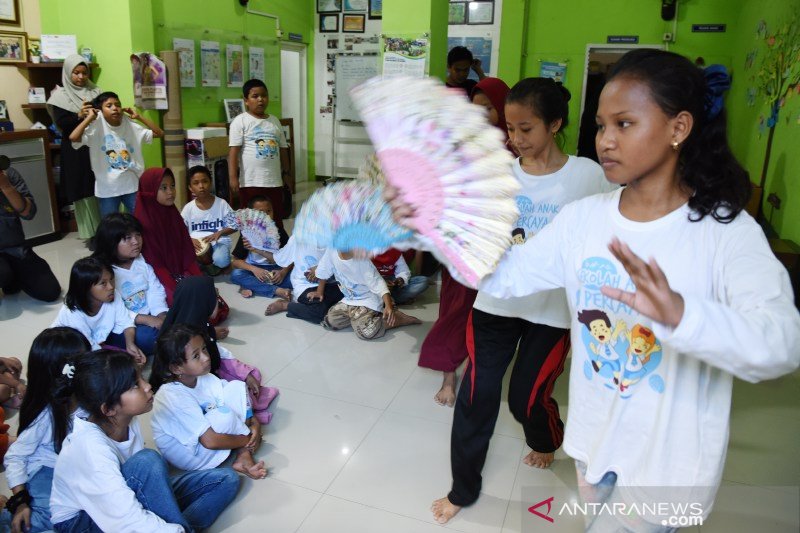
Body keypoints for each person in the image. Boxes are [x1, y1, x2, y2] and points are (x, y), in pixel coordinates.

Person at [388, 49, 800, 531]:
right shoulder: (584, 219)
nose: (605, 140)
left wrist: (682, 315)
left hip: (665, 465)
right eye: (602, 125)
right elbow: (508, 275)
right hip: (593, 443)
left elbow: (781, 342)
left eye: (624, 124)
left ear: (678, 128)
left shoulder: (723, 231)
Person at [431, 77, 615, 524]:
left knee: (526, 398)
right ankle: (463, 488)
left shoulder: (588, 176)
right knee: (478, 394)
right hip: (495, 304)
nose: (515, 139)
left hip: (551, 312)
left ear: (555, 125)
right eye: (510, 129)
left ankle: (545, 439)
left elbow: (607, 235)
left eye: (525, 129)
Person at [49, 349, 238, 532]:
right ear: (109, 409)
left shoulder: (125, 419)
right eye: (134, 385)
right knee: (148, 461)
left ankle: (177, 527)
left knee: (225, 480)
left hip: (121, 498)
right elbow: (124, 520)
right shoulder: (89, 449)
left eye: (140, 377)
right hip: (83, 522)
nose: (147, 386)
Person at [418, 78, 513, 408]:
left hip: (498, 249)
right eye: (476, 108)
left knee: (489, 314)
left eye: (489, 107)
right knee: (455, 309)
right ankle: (449, 374)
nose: (482, 114)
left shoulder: (515, 150)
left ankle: (478, 369)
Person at [150, 324, 266, 480]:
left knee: (237, 388)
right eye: (196, 356)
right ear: (177, 368)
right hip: (192, 455)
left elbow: (237, 399)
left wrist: (255, 423)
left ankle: (242, 454)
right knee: (225, 415)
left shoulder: (204, 376)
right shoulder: (171, 396)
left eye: (204, 349)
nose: (206, 357)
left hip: (210, 431)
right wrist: (248, 439)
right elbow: (209, 441)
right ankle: (244, 450)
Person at [3, 327, 90, 533]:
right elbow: (15, 457)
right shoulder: (46, 414)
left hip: (80, 467)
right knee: (45, 521)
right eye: (81, 363)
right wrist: (21, 502)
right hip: (48, 469)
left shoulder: (92, 396)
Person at [160, 276, 278, 424]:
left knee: (248, 376)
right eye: (214, 297)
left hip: (208, 375)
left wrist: (245, 375)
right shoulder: (179, 339)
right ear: (203, 302)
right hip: (199, 386)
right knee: (235, 401)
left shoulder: (201, 325)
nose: (218, 302)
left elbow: (218, 352)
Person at [69, 91, 164, 217]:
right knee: (110, 226)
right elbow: (74, 137)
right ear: (100, 110)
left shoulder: (130, 125)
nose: (115, 108)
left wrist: (139, 117)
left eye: (118, 105)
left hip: (131, 184)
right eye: (109, 106)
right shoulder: (96, 126)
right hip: (107, 187)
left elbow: (159, 133)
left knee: (140, 219)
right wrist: (89, 118)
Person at [92, 213, 168, 356]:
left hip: (150, 315)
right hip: (122, 324)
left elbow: (154, 289)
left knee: (173, 320)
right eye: (127, 238)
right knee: (150, 338)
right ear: (111, 242)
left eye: (138, 235)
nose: (136, 242)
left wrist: (161, 314)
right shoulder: (103, 272)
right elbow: (110, 308)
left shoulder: (140, 260)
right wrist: (145, 319)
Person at [46, 54, 102, 239]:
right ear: (67, 73)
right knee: (83, 187)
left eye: (84, 73)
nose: (80, 77)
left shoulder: (96, 92)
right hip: (75, 149)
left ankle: (106, 231)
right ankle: (90, 233)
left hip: (97, 145)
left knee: (99, 185)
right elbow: (62, 124)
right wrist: (80, 115)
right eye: (76, 73)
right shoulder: (59, 97)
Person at [51, 257, 146, 364]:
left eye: (111, 279)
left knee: (148, 337)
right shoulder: (72, 312)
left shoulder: (112, 294)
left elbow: (125, 322)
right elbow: (88, 347)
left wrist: (130, 344)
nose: (111, 287)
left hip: (101, 341)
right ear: (85, 287)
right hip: (74, 351)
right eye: (103, 283)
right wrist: (123, 358)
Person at [315, 248, 422, 340]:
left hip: (368, 299)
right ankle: (359, 317)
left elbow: (379, 283)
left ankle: (398, 318)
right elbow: (323, 270)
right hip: (349, 299)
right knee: (331, 321)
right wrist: (319, 291)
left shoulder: (361, 260)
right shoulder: (331, 250)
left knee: (365, 332)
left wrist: (388, 305)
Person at [133, 167, 202, 306]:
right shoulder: (144, 222)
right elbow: (155, 265)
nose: (170, 192)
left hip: (179, 272)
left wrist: (201, 280)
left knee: (209, 299)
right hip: (156, 278)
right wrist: (177, 289)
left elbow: (187, 254)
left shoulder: (173, 214)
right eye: (163, 188)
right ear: (150, 191)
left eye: (172, 186)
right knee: (180, 303)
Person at [228, 79, 290, 223]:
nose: (260, 100)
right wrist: (233, 178)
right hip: (250, 181)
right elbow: (233, 152)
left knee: (275, 219)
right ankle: (248, 246)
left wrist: (286, 173)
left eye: (264, 95)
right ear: (246, 100)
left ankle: (279, 244)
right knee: (251, 222)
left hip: (274, 181)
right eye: (255, 96)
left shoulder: (274, 121)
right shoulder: (240, 121)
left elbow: (283, 149)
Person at [0, 165, 61, 303]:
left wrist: (6, 186)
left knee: (50, 292)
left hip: (16, 248)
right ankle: (7, 277)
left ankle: (12, 279)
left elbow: (28, 213)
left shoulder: (8, 173)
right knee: (2, 274)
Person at [266, 236, 343, 321]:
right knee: (319, 312)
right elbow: (279, 258)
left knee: (349, 300)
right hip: (306, 286)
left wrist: (320, 269)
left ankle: (304, 303)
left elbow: (344, 262)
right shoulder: (297, 238)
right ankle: (285, 305)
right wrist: (256, 250)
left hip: (333, 283)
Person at [230, 195, 292, 300]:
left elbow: (292, 257)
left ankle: (254, 286)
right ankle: (276, 290)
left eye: (269, 211)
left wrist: (283, 272)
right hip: (255, 270)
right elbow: (235, 262)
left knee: (299, 277)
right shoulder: (247, 233)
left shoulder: (279, 231)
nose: (266, 216)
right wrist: (254, 269)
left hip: (276, 270)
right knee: (236, 274)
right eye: (260, 213)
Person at [181, 165, 236, 275]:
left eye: (204, 181)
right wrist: (189, 240)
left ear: (210, 183)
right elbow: (179, 229)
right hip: (196, 244)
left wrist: (220, 233)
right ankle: (206, 265)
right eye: (196, 183)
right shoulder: (188, 208)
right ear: (190, 188)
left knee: (221, 260)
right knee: (183, 261)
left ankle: (214, 264)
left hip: (219, 242)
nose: (201, 186)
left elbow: (235, 225)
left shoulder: (221, 203)